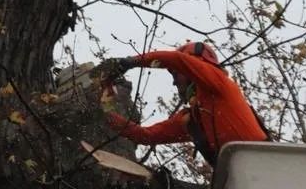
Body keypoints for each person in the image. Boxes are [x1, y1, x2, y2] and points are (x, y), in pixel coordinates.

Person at [94, 41, 269, 166]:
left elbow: (177, 60)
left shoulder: (219, 83)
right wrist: (103, 116)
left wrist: (130, 62)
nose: (175, 82)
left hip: (267, 162)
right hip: (240, 176)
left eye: (176, 74)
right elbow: (146, 135)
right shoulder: (192, 120)